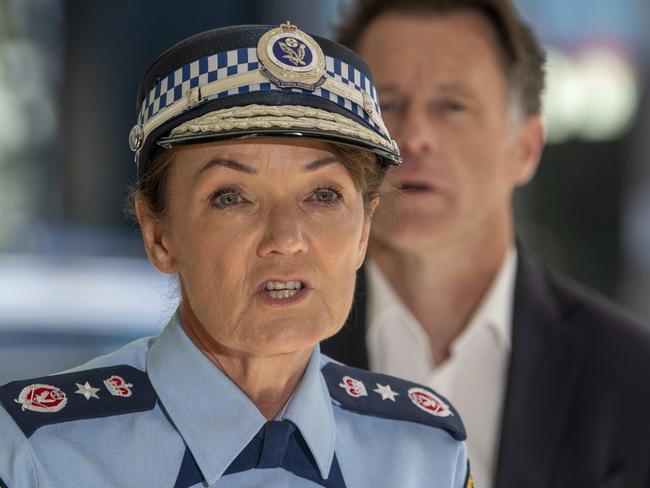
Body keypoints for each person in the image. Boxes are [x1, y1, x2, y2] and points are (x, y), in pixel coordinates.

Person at [0, 23, 473, 488]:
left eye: (324, 195)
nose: (286, 239)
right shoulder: (39, 453)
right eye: (231, 197)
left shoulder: (424, 453)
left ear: (364, 229)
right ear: (159, 235)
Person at [321, 1, 650, 487]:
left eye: (452, 106)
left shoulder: (632, 377)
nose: (414, 136)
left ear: (526, 148)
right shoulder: (276, 353)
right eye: (385, 105)